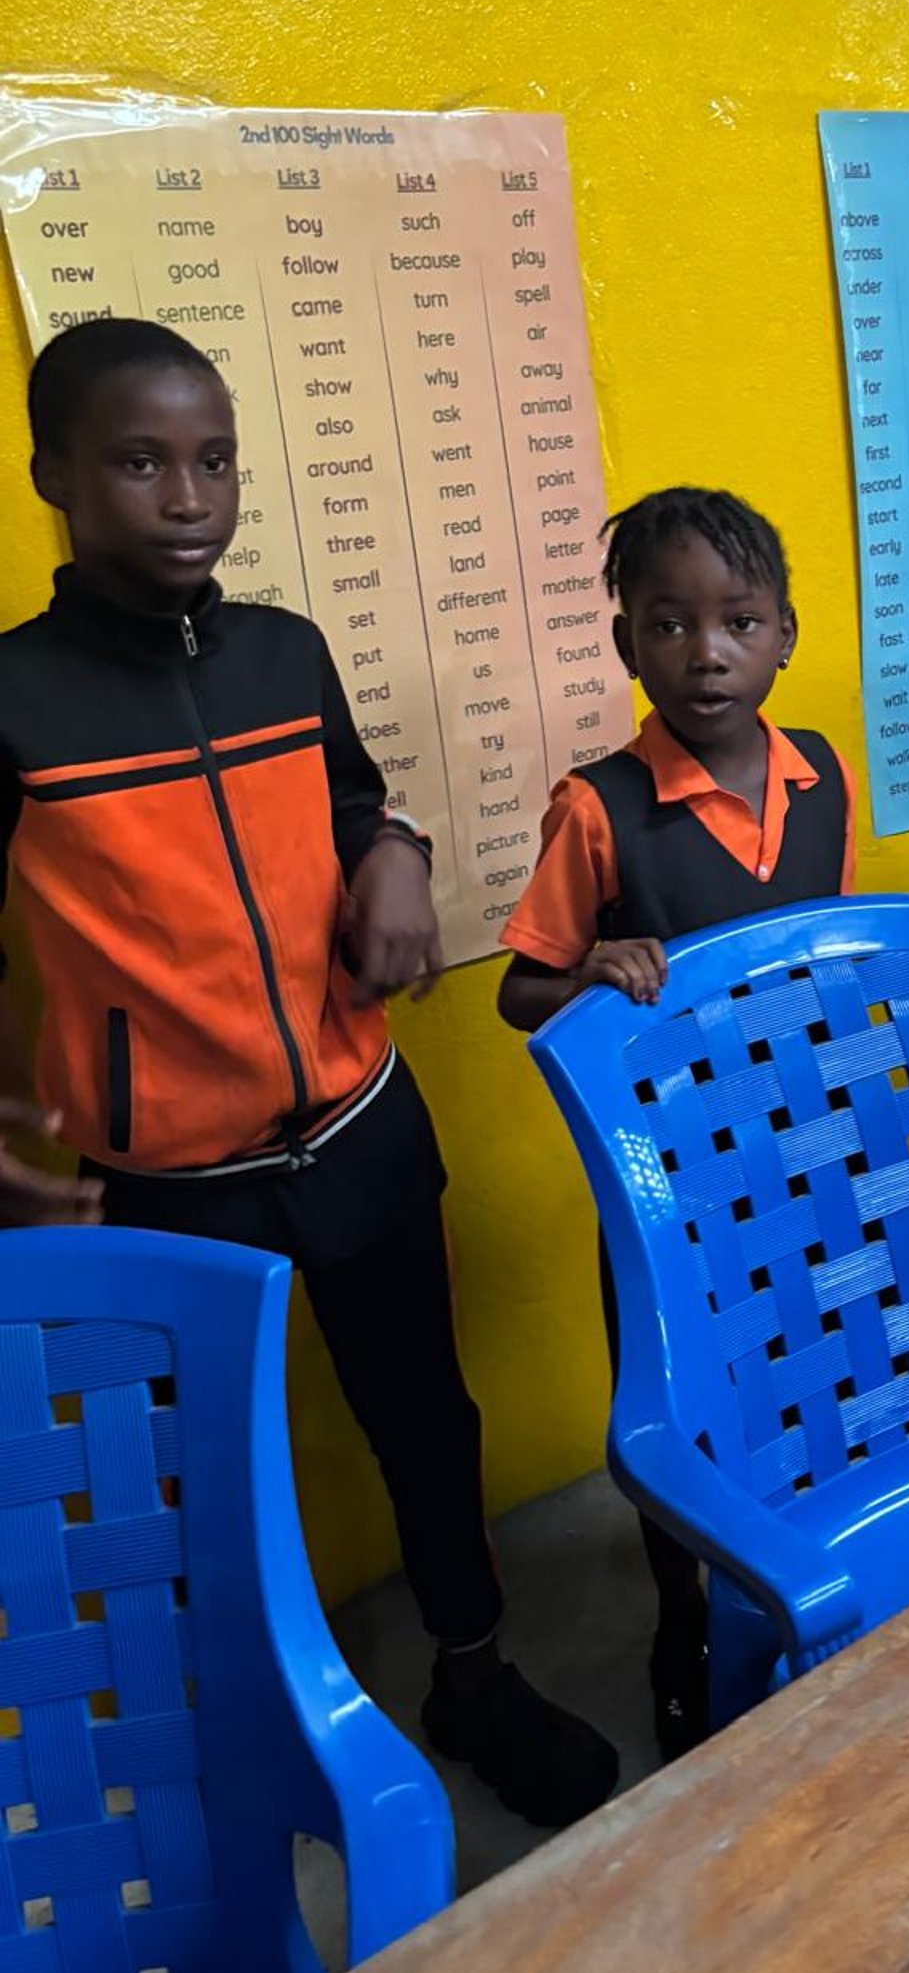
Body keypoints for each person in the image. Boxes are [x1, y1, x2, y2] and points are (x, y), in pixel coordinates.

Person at [0, 317, 617, 1829]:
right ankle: (259, 1735)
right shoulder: (17, 700)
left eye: (213, 458)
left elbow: (356, 798)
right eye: (142, 461)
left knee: (427, 1417)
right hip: (166, 1182)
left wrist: (393, 855)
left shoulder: (285, 651)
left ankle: (471, 1675)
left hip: (359, 1125)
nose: (189, 494)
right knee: (199, 1472)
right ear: (53, 480)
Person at [498, 486, 856, 1759]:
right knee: (677, 1391)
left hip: (801, 1149)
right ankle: (681, 1613)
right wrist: (594, 966)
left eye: (737, 621)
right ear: (626, 643)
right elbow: (517, 987)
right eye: (668, 624)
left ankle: (795, 1560)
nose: (705, 652)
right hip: (664, 1178)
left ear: (784, 635)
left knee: (805, 1355)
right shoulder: (598, 806)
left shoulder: (823, 779)